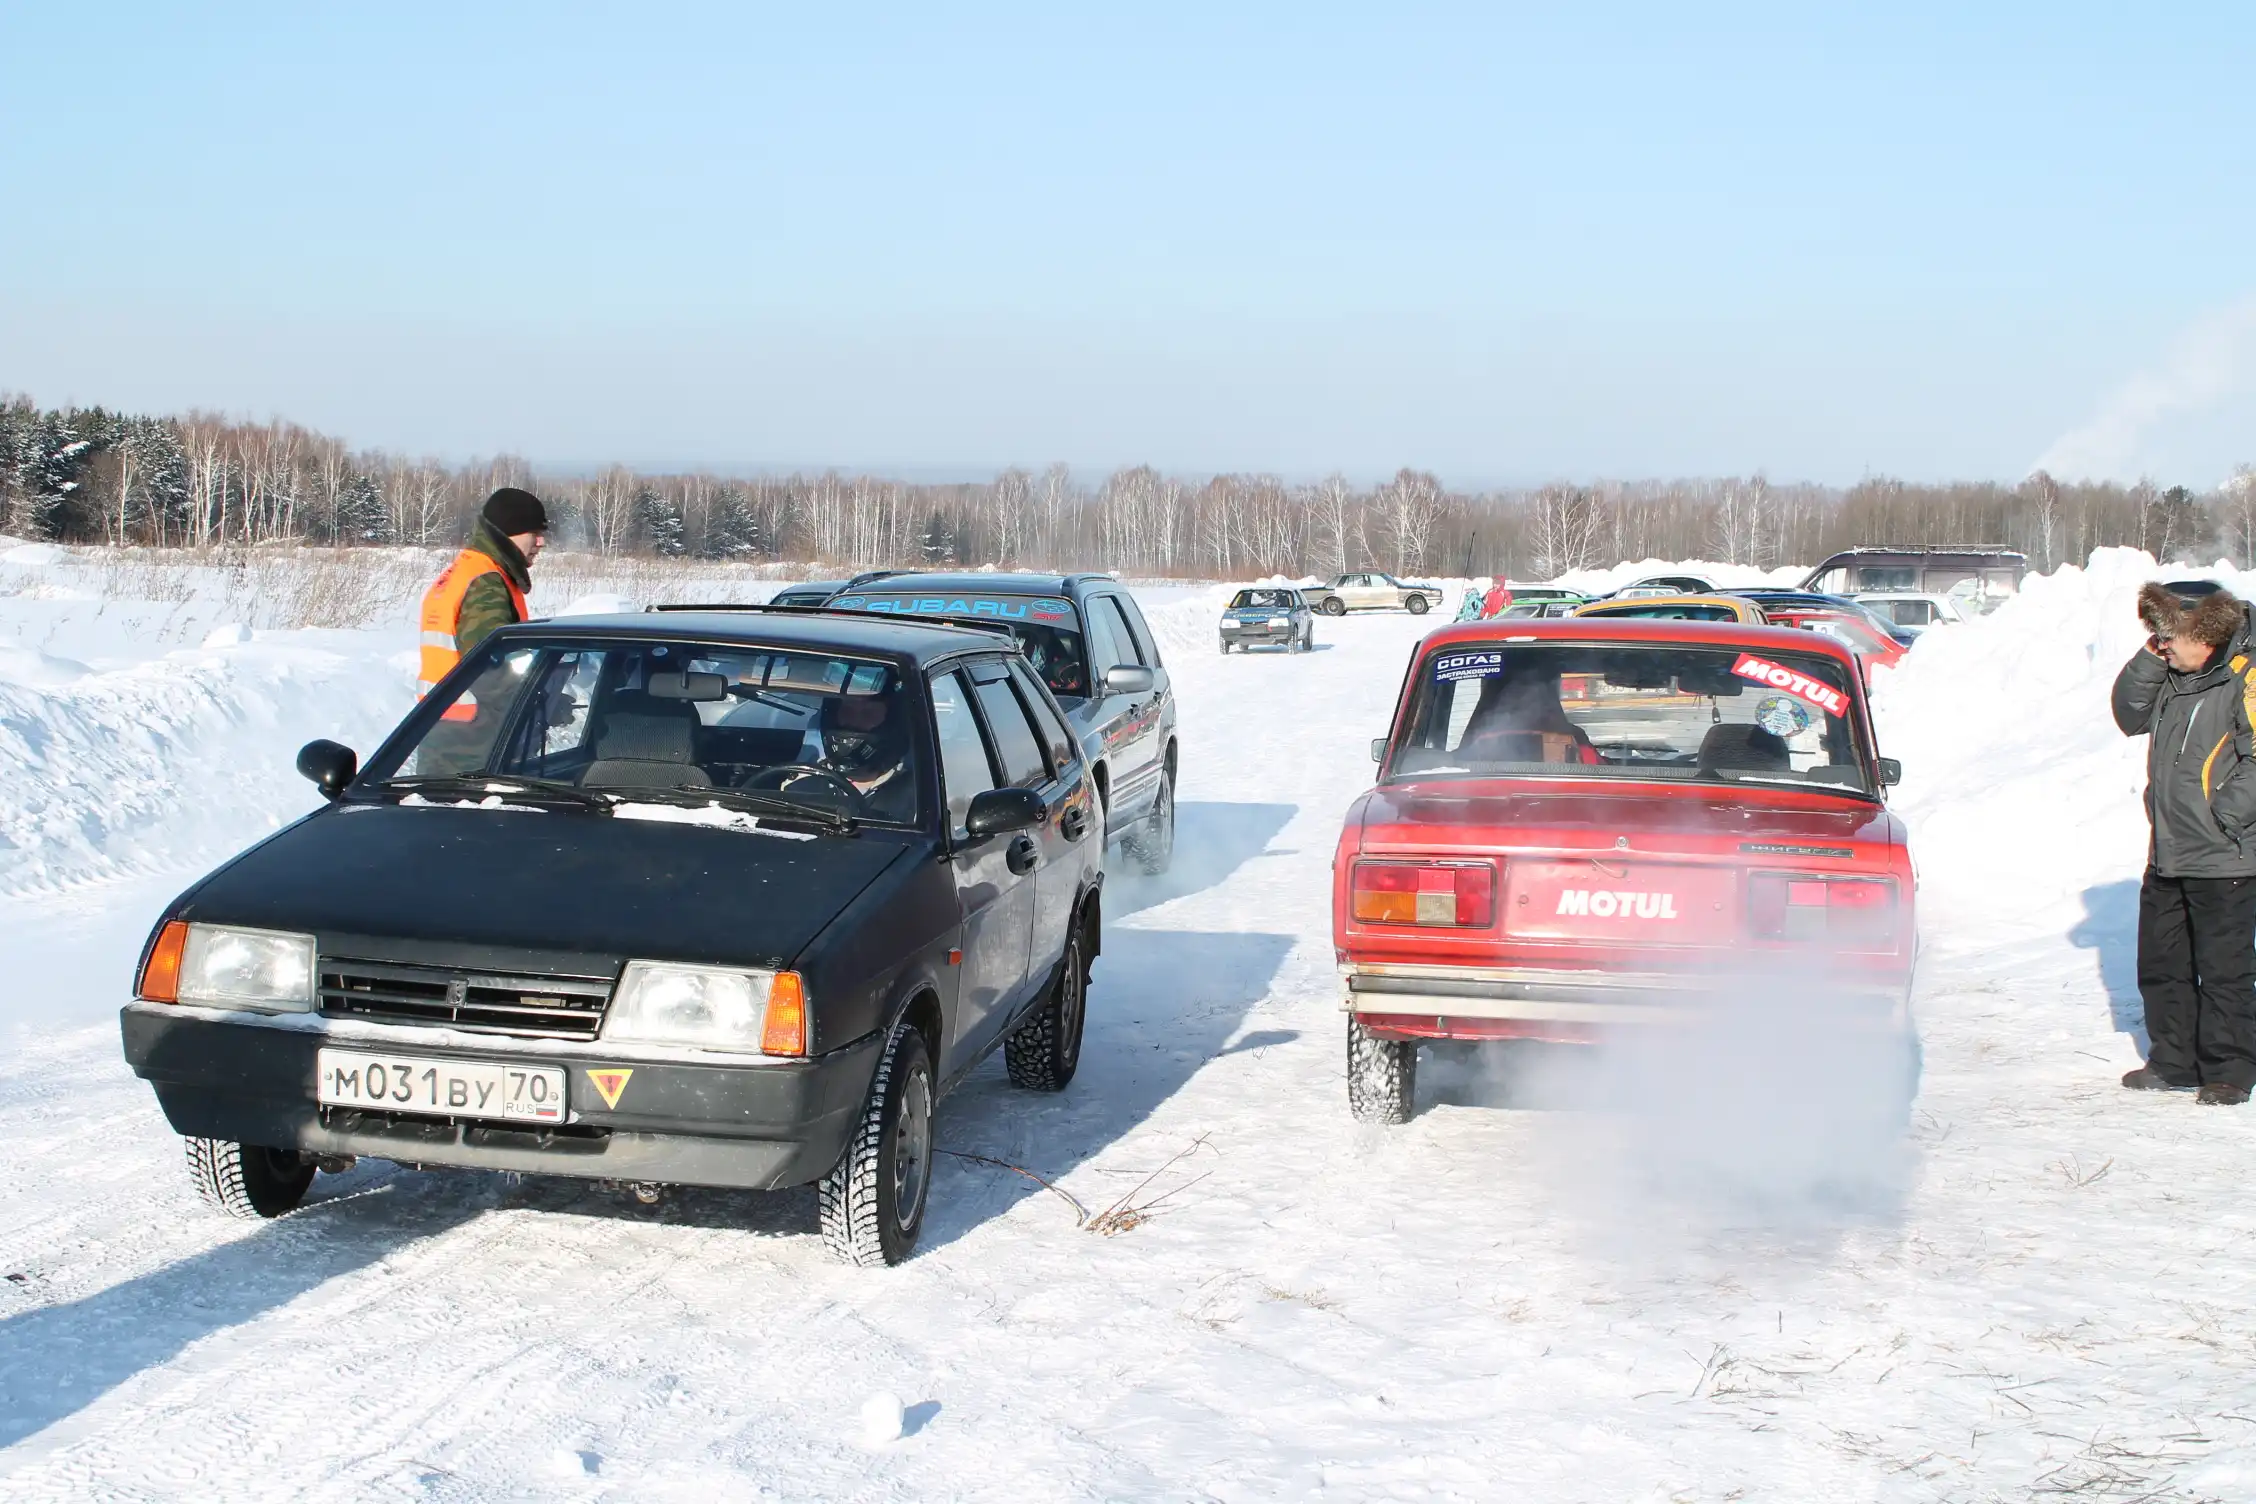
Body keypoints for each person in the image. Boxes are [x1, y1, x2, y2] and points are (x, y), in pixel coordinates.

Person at [2111, 582, 2256, 1106]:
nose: (2162, 644)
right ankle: (2175, 1062)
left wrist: (2224, 817)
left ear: (2204, 633)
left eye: (2168, 635)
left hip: (2223, 855)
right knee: (2162, 964)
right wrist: (2152, 657)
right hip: (2168, 850)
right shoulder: (2171, 676)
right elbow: (2129, 714)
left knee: (2224, 970)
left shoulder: (2245, 677)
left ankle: (2229, 1070)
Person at [417, 487, 549, 712]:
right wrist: (541, 702)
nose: (541, 542)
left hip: (439, 721)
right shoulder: (486, 583)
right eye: (533, 533)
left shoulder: (466, 569)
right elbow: (489, 671)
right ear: (509, 532)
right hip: (475, 725)